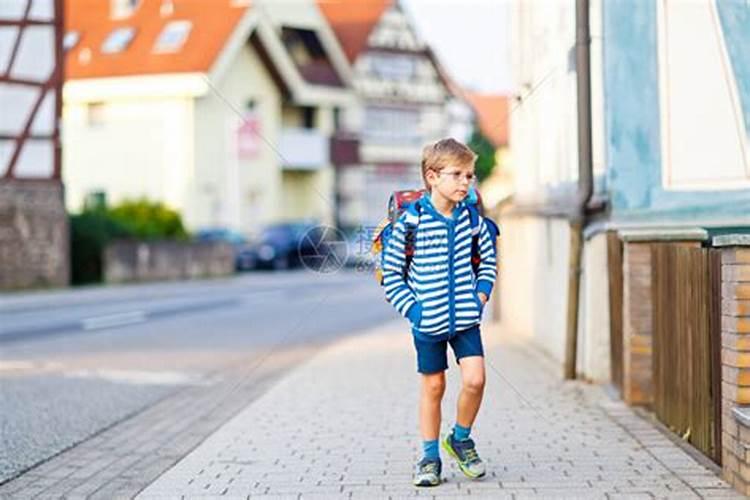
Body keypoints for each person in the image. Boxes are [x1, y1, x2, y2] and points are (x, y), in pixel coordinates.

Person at [381, 138, 498, 487]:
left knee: (476, 379)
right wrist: (414, 311)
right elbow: (392, 274)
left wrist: (480, 294)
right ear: (432, 177)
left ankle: (460, 439)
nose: (466, 182)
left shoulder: (472, 220)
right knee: (434, 387)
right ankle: (429, 457)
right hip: (427, 322)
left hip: (465, 320)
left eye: (470, 176)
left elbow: (488, 261)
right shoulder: (412, 222)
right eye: (458, 175)